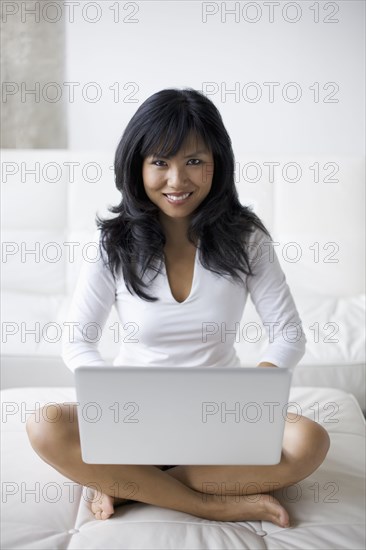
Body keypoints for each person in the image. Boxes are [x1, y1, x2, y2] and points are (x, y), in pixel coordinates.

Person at [26, 88, 330, 526]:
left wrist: (254, 392)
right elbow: (77, 340)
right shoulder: (114, 244)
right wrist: (112, 396)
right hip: (133, 418)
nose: (177, 180)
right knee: (45, 424)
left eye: (194, 161)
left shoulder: (248, 240)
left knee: (310, 442)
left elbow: (288, 334)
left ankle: (126, 484)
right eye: (160, 162)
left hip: (221, 418)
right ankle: (204, 501)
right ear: (137, 166)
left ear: (217, 164)